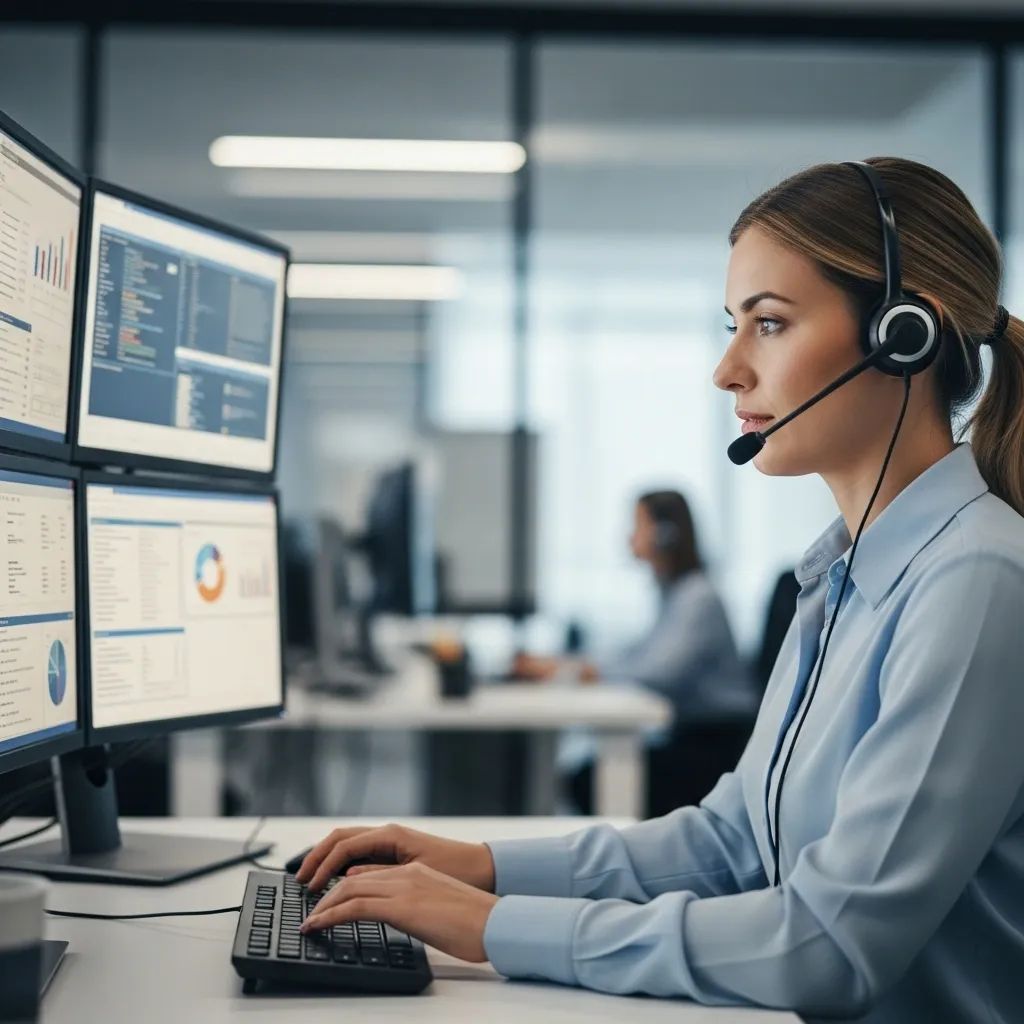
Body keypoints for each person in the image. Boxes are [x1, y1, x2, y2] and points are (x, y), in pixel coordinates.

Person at [294, 157, 1024, 1021]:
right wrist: (478, 866)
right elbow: (731, 842)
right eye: (734, 326)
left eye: (770, 324)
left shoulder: (977, 580)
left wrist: (492, 926)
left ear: (905, 335)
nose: (728, 370)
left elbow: (829, 944)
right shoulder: (840, 578)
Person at [517, 489, 756, 816]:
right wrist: (571, 665)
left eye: (639, 525)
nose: (630, 537)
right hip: (692, 736)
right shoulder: (674, 593)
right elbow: (636, 654)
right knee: (584, 774)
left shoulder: (698, 598)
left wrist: (582, 671)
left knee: (587, 779)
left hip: (715, 745)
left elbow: (658, 672)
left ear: (665, 534)